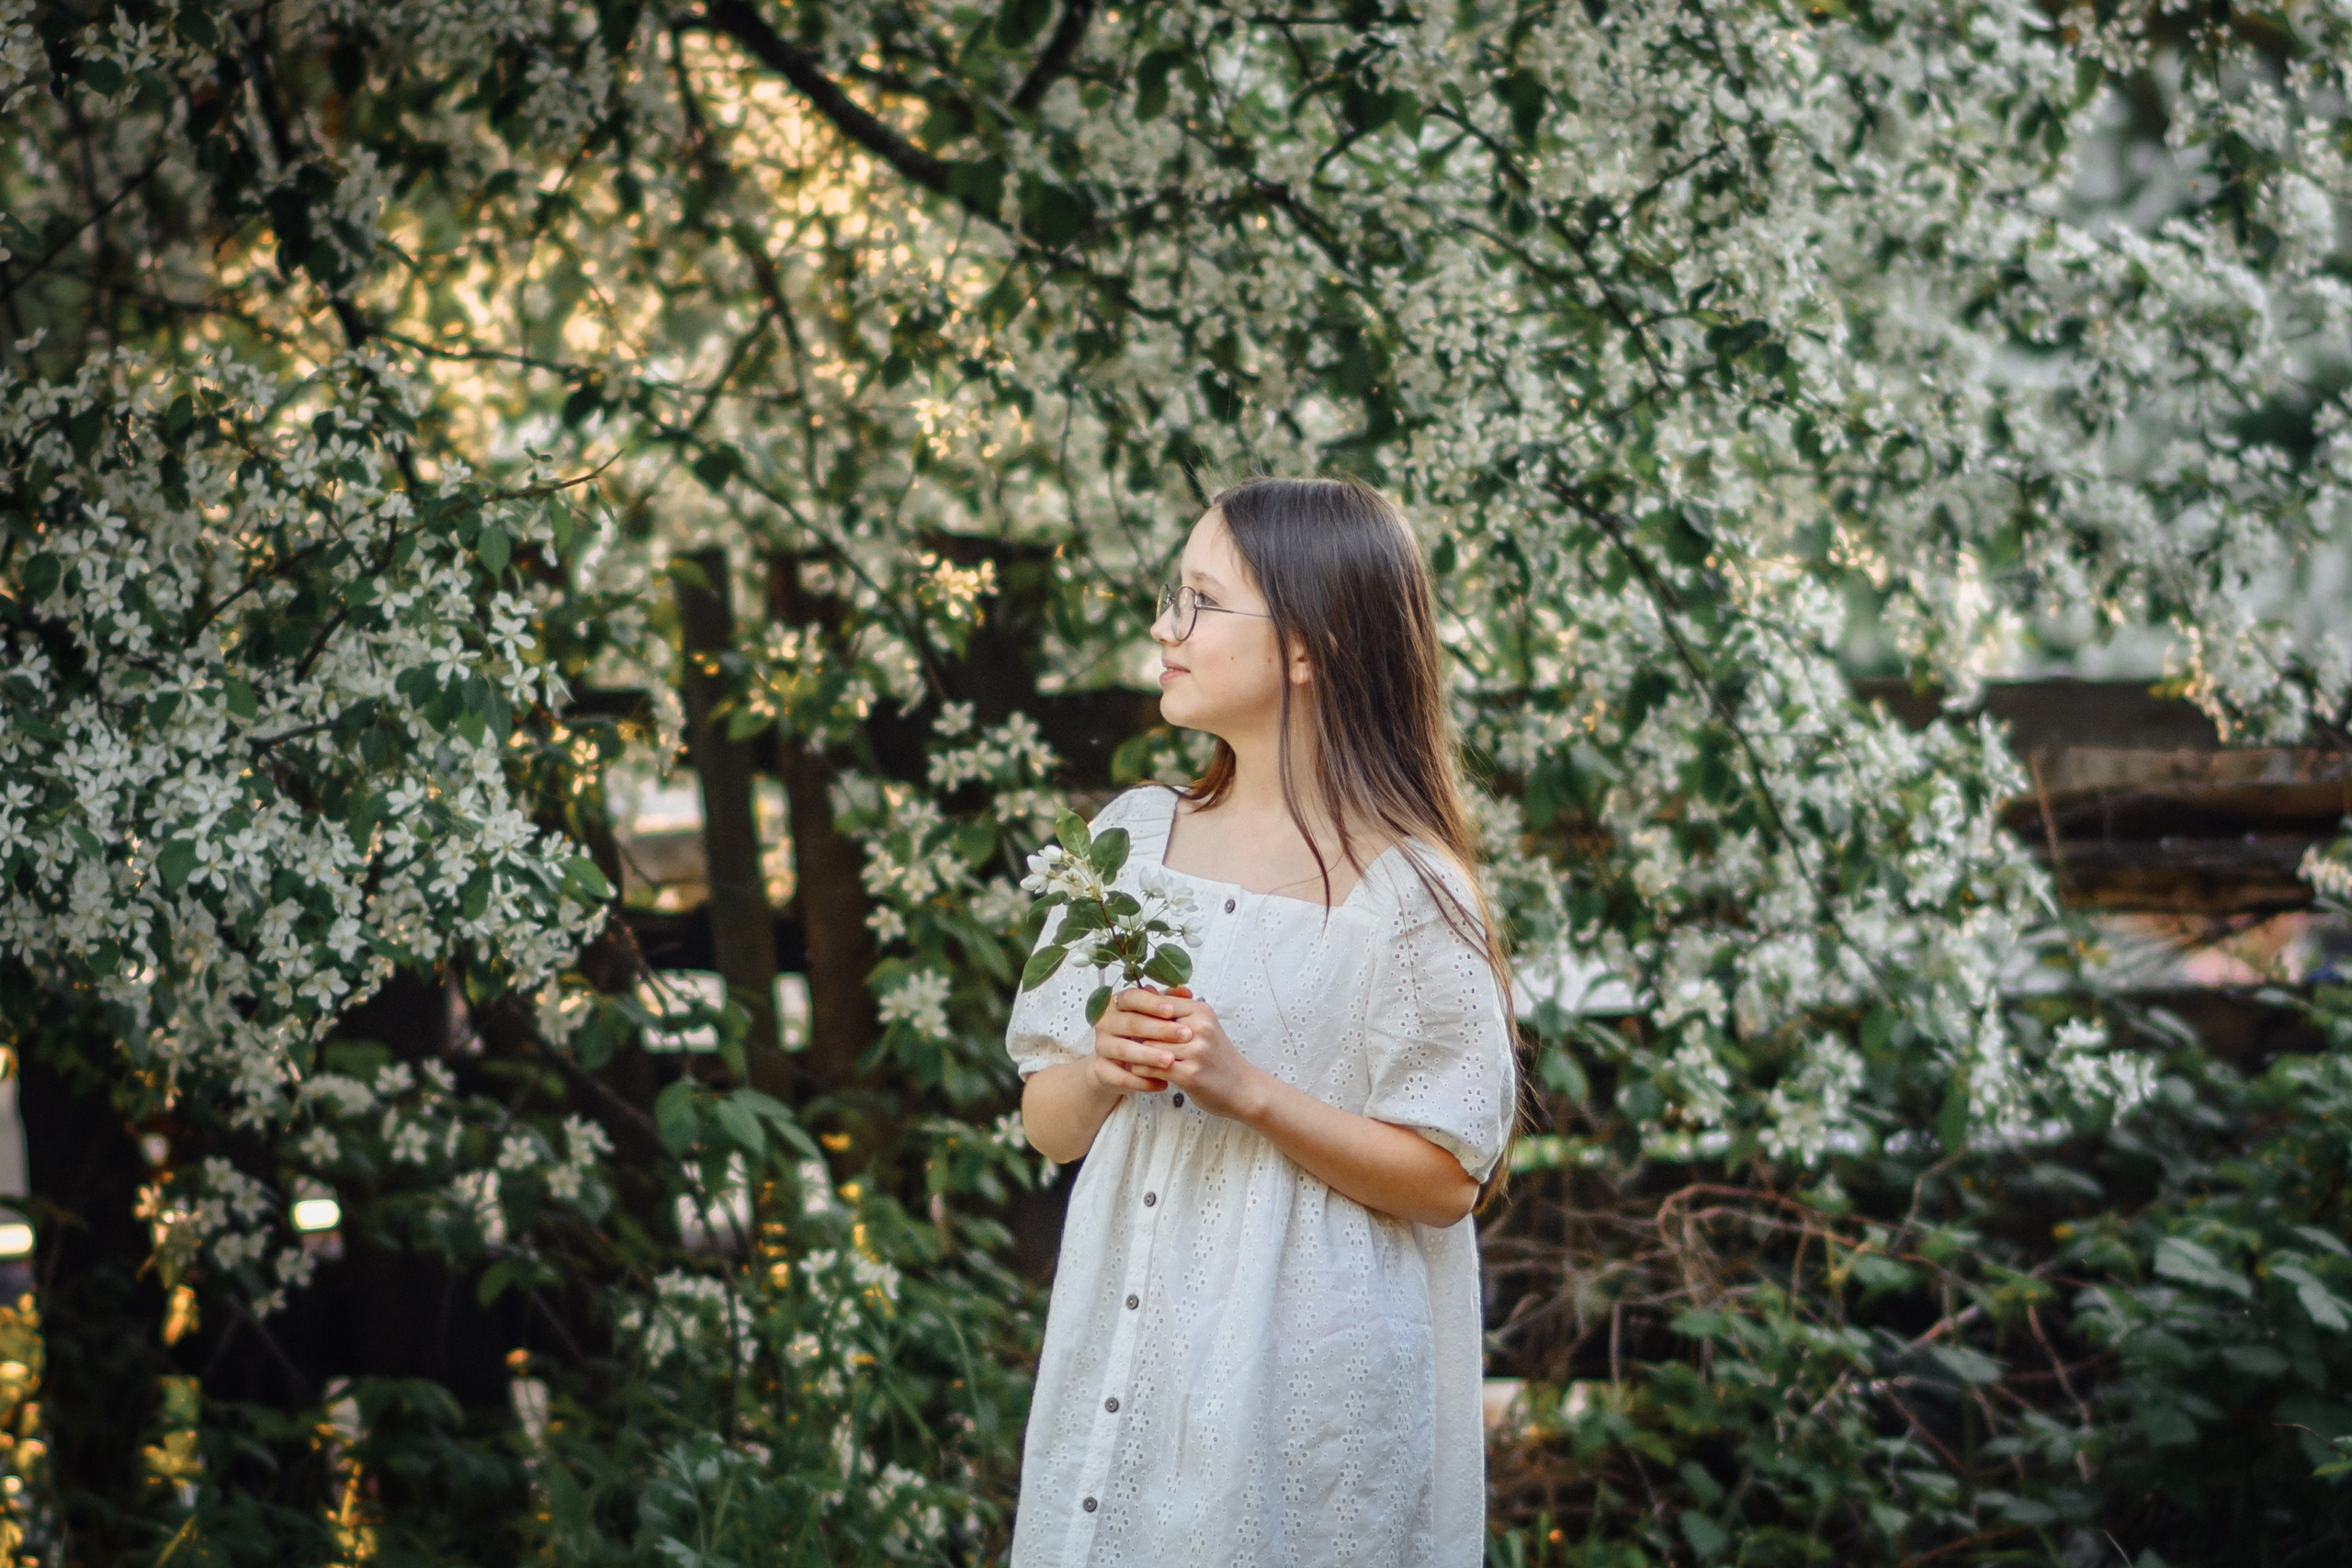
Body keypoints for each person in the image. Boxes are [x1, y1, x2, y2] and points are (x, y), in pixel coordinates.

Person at [1006, 476, 1520, 1566]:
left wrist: (1250, 1095)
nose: (1163, 627)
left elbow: (1444, 1180)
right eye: (1170, 596)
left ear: (1310, 644)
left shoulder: (1406, 894)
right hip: (1131, 1345)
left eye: (1200, 600)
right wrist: (1102, 1069)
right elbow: (1048, 1127)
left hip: (1302, 1374)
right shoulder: (1132, 848)